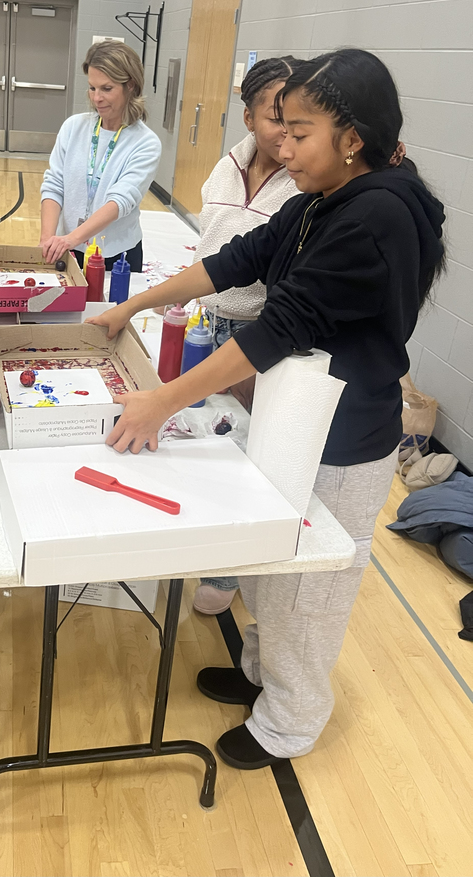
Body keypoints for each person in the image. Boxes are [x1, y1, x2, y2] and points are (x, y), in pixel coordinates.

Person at [87, 49, 446, 769]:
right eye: (281, 128)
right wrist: (130, 304)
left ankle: (291, 722)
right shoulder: (325, 197)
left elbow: (276, 330)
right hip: (295, 420)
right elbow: (237, 259)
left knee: (311, 591)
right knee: (272, 566)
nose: (283, 146)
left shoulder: (376, 215)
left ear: (353, 137)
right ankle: (259, 673)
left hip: (343, 436)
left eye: (301, 131)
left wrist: (160, 401)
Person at [192, 56, 303, 617]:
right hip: (204, 317)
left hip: (257, 332)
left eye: (296, 117)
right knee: (195, 434)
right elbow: (212, 242)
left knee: (243, 449)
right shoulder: (227, 163)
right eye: (274, 115)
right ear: (248, 116)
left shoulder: (304, 181)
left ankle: (226, 568)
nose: (285, 129)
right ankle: (193, 535)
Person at [40, 41, 161, 272]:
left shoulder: (145, 143)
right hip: (67, 247)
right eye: (92, 88)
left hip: (116, 255)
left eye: (107, 89)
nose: (97, 98)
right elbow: (54, 184)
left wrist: (70, 239)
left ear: (131, 86)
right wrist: (48, 239)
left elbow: (120, 201)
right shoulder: (73, 127)